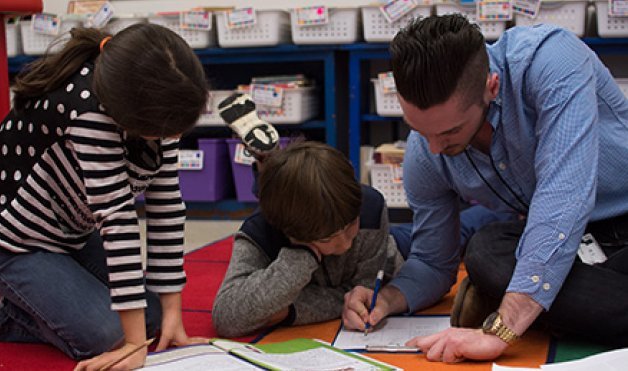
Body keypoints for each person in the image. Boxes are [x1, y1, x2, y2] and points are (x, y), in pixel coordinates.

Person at [342, 14, 628, 362]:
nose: (433, 148)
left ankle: (549, 312)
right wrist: (386, 299)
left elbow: (562, 200)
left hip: (611, 223)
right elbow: (433, 261)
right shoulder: (426, 153)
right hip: (582, 253)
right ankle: (557, 311)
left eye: (448, 132)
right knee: (486, 251)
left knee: (537, 262)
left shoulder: (551, 59)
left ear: (491, 87)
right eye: (419, 130)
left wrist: (501, 329)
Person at [0, 24, 209, 370]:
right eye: (161, 133)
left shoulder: (154, 105)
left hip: (66, 230)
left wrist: (173, 313)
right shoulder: (87, 111)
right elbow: (117, 219)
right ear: (127, 113)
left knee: (152, 314)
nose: (169, 138)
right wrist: (131, 345)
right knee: (104, 334)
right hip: (5, 238)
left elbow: (167, 206)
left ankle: (37, 293)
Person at [211, 140, 503, 337]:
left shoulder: (370, 207)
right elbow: (227, 316)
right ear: (291, 232)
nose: (344, 245)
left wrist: (287, 308)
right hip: (312, 258)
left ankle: (507, 212)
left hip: (393, 251)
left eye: (351, 226)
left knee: (457, 232)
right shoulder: (258, 234)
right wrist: (303, 258)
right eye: (327, 239)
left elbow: (361, 289)